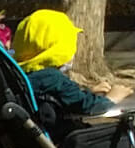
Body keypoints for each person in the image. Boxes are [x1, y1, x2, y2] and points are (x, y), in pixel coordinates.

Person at [11, 10, 133, 139]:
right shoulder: (51, 78)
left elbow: (58, 99)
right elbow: (87, 106)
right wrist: (112, 97)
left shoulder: (23, 77)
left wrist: (89, 91)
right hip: (69, 143)